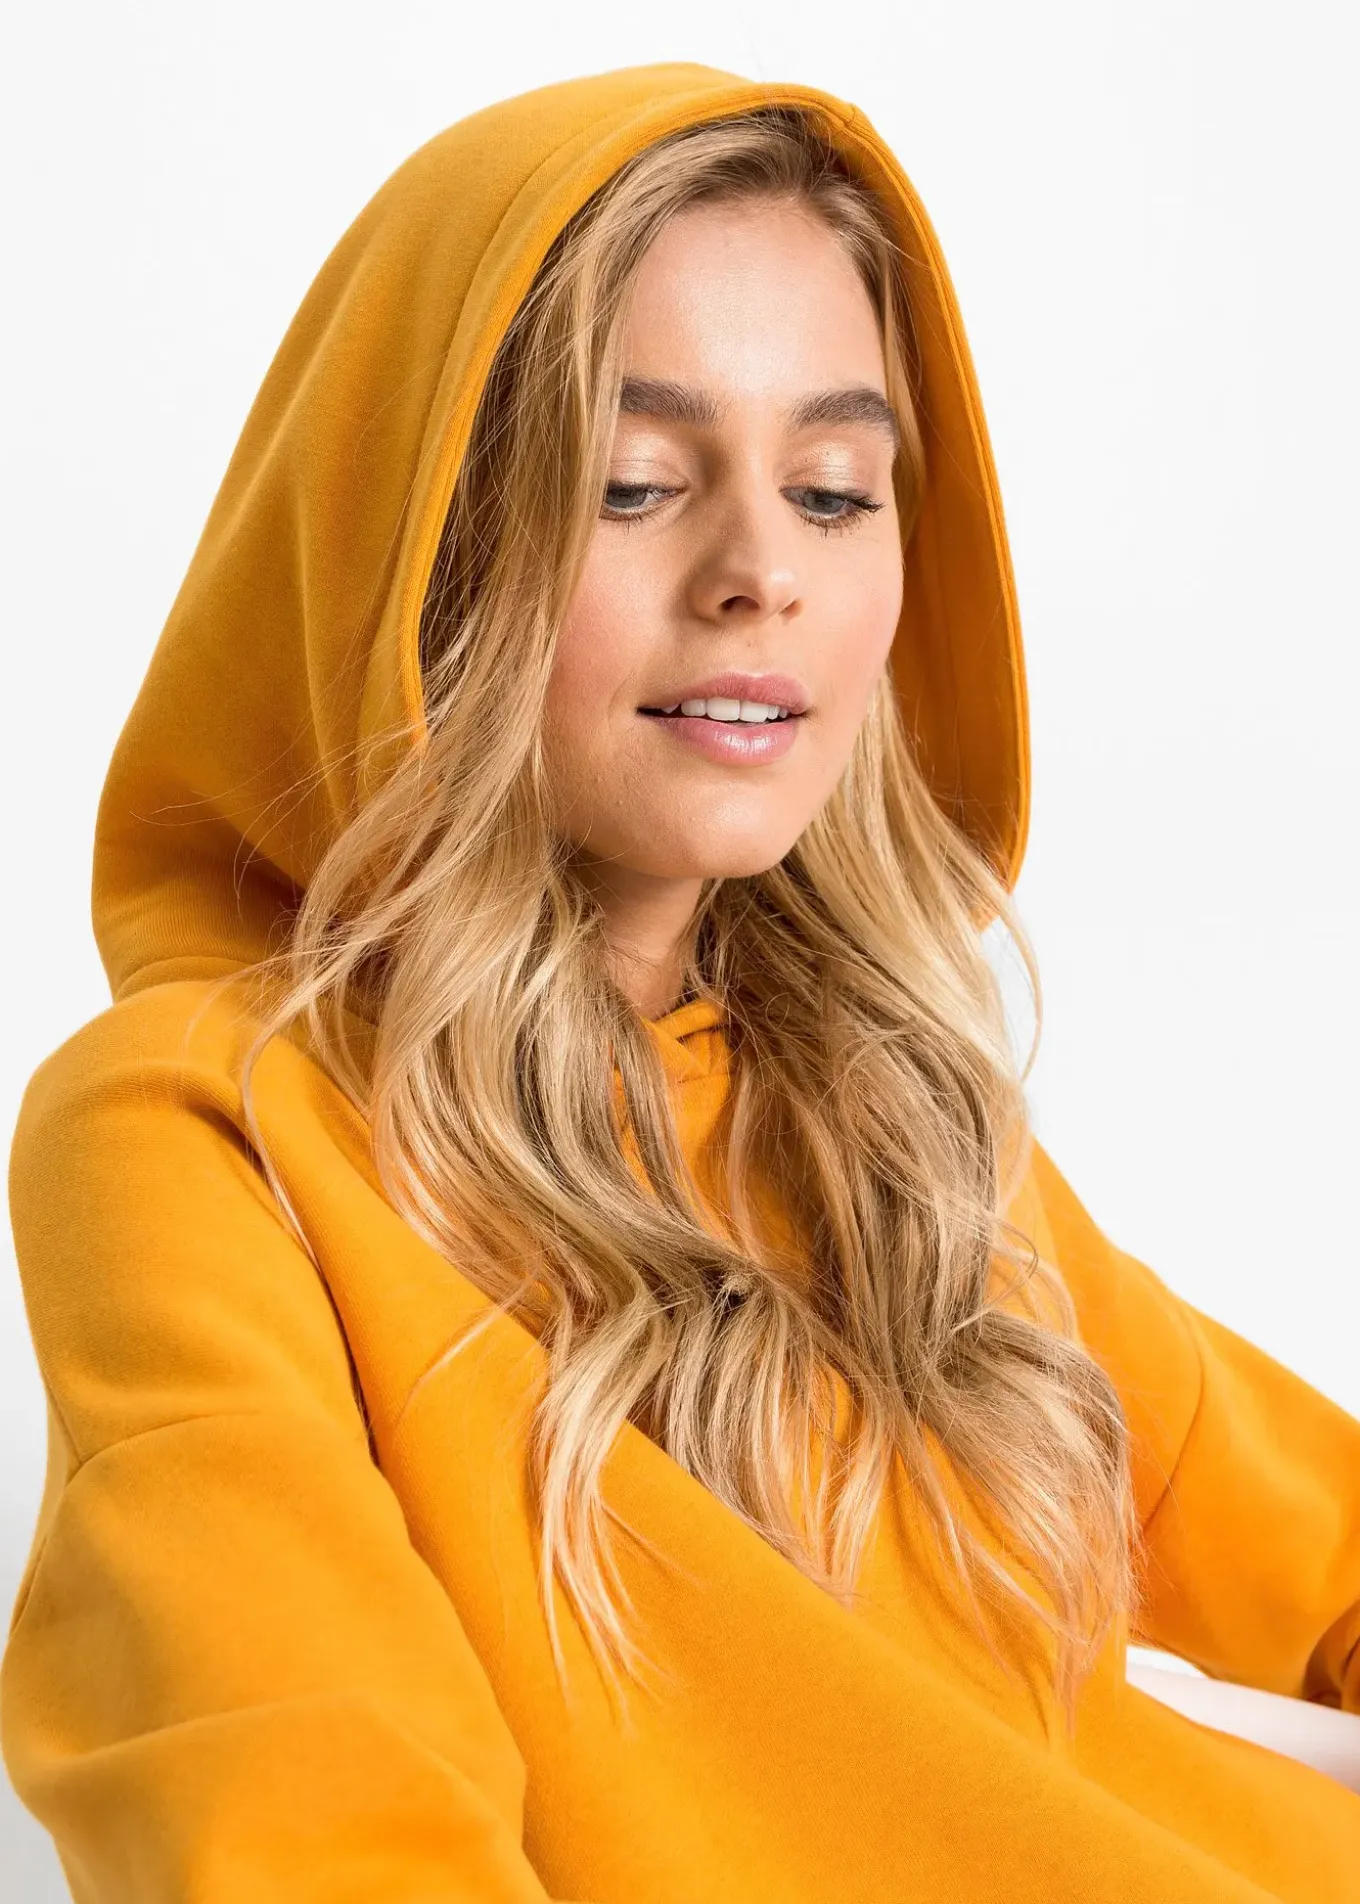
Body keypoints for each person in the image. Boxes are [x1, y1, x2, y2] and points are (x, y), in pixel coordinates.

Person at [4, 60, 1358, 1904]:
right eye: (633, 483)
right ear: (413, 551)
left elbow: (1318, 1542)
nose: (759, 573)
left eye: (834, 490)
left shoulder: (897, 1136)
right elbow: (282, 1772)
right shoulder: (201, 1131)